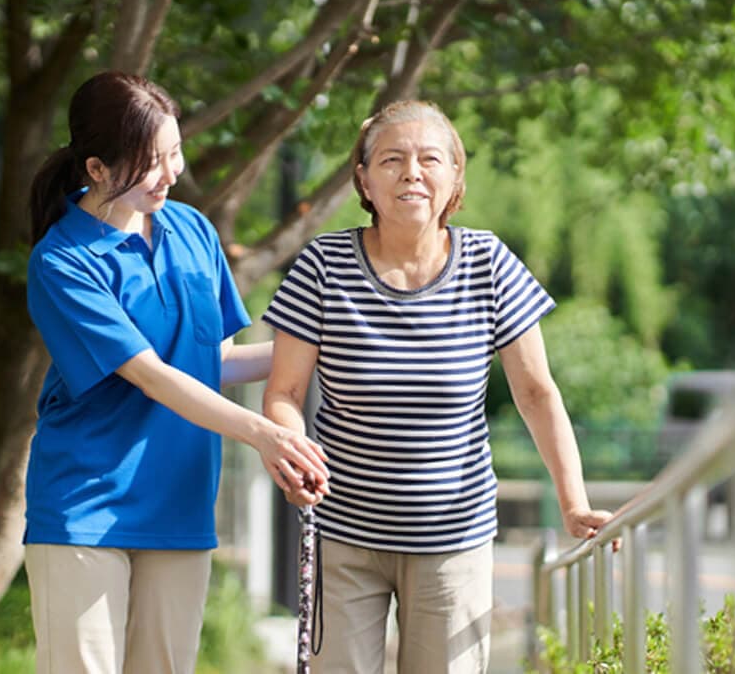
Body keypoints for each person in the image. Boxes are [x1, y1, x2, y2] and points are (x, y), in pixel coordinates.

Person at [262, 100, 614, 674]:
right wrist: (291, 451)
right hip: (343, 532)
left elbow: (536, 393)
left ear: (455, 178)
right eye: (392, 160)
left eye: (430, 159)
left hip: (454, 539)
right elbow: (284, 392)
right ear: (363, 180)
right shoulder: (323, 266)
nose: (412, 173)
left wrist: (573, 503)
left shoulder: (488, 263)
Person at [24, 70, 328, 674]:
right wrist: (265, 434)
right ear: (97, 169)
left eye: (175, 153)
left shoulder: (193, 231)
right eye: (150, 161)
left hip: (180, 502)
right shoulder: (62, 262)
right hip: (85, 506)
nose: (171, 174)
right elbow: (154, 377)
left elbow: (209, 362)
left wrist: (321, 346)